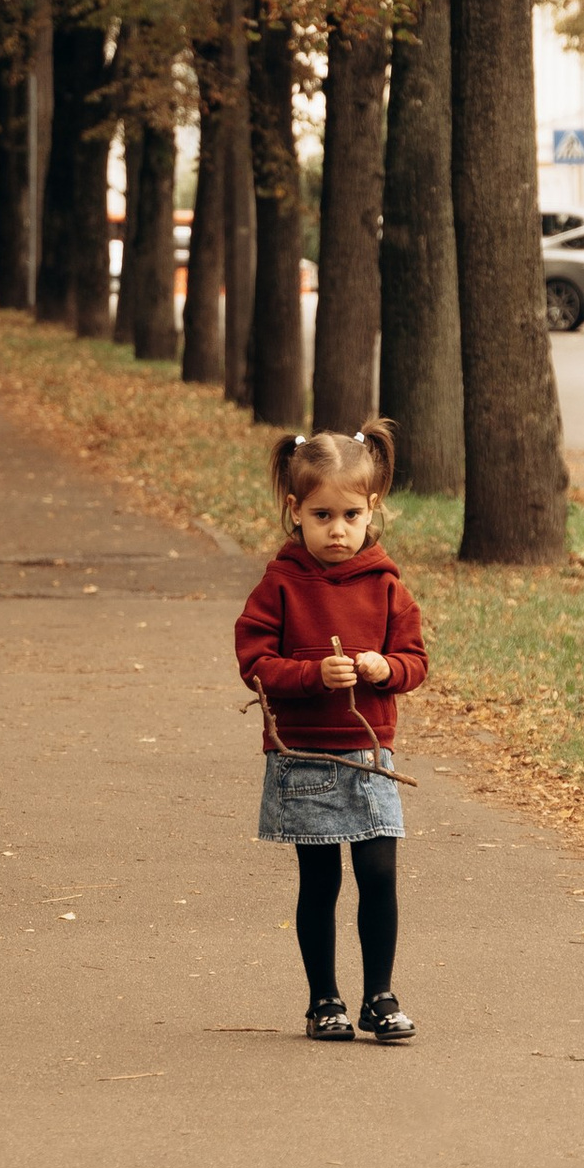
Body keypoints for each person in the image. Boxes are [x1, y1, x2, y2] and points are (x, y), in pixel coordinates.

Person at [234, 421, 428, 1043]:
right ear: (296, 511)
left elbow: (415, 661)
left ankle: (380, 996)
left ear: (372, 508)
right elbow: (255, 663)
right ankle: (324, 1000)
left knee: (378, 874)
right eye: (322, 516)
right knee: (320, 882)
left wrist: (386, 668)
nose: (338, 530)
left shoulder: (386, 585)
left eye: (350, 515)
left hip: (369, 755)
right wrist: (312, 674)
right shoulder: (281, 584)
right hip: (304, 758)